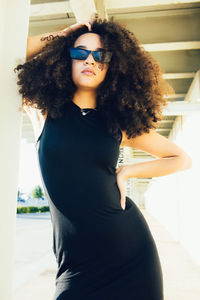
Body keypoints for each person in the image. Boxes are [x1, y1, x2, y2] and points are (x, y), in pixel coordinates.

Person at [14, 16, 192, 300]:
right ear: (65, 59)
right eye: (80, 53)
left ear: (113, 66)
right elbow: (6, 50)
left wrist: (126, 172)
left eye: (101, 55)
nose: (90, 60)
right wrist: (62, 35)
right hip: (75, 265)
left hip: (130, 255)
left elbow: (181, 158)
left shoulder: (117, 125)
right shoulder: (42, 111)